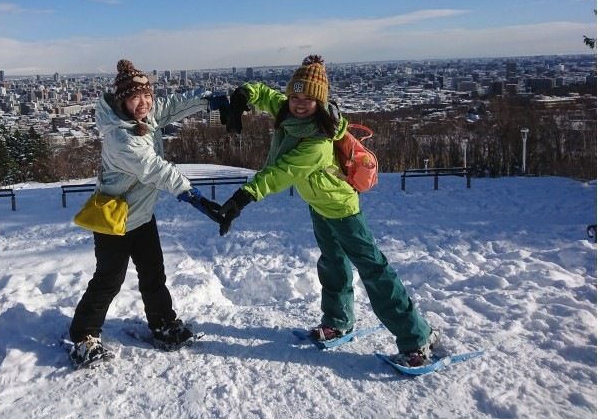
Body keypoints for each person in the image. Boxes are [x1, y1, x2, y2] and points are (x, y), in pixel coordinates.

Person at [217, 54, 438, 367]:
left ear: (319, 102)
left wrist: (241, 199)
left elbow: (281, 172)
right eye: (295, 96)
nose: (299, 103)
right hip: (319, 206)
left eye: (308, 99)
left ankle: (417, 336)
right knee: (332, 263)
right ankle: (338, 320)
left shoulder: (318, 141)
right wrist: (242, 97)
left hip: (342, 208)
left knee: (374, 270)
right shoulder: (288, 110)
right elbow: (264, 94)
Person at [67, 59, 228, 367]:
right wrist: (191, 194)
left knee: (154, 273)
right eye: (135, 97)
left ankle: (163, 322)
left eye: (147, 95)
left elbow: (171, 105)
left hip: (141, 216)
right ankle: (83, 334)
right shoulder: (120, 137)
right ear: (121, 100)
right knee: (109, 280)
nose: (144, 103)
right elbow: (155, 169)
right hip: (115, 221)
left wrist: (208, 99)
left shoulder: (144, 114)